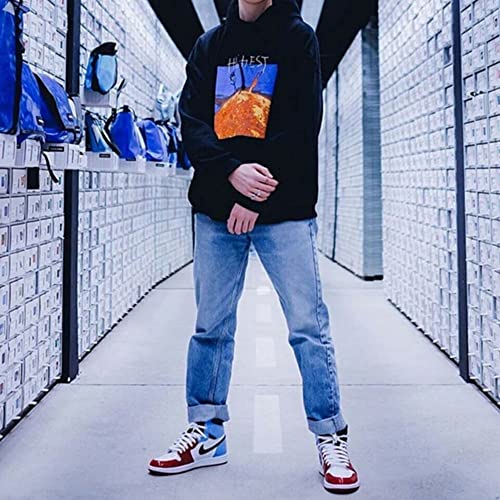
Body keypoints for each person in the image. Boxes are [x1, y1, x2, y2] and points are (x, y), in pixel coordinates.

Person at [149, 0, 359, 493]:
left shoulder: (298, 38)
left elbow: (301, 126)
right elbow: (191, 121)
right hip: (215, 208)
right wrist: (230, 176)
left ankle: (330, 434)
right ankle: (207, 431)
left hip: (283, 209)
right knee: (211, 326)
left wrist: (252, 198)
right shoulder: (210, 46)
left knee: (308, 326)